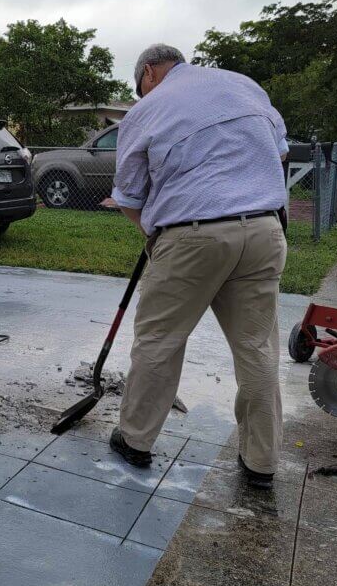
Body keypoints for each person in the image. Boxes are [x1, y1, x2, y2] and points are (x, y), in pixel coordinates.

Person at [110, 44, 289, 488]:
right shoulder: (244, 86)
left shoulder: (149, 108)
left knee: (159, 341)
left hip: (192, 235)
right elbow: (279, 153)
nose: (140, 93)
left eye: (139, 86)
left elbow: (128, 196)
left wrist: (156, 238)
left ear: (149, 72)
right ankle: (261, 462)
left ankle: (134, 441)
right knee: (257, 349)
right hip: (265, 230)